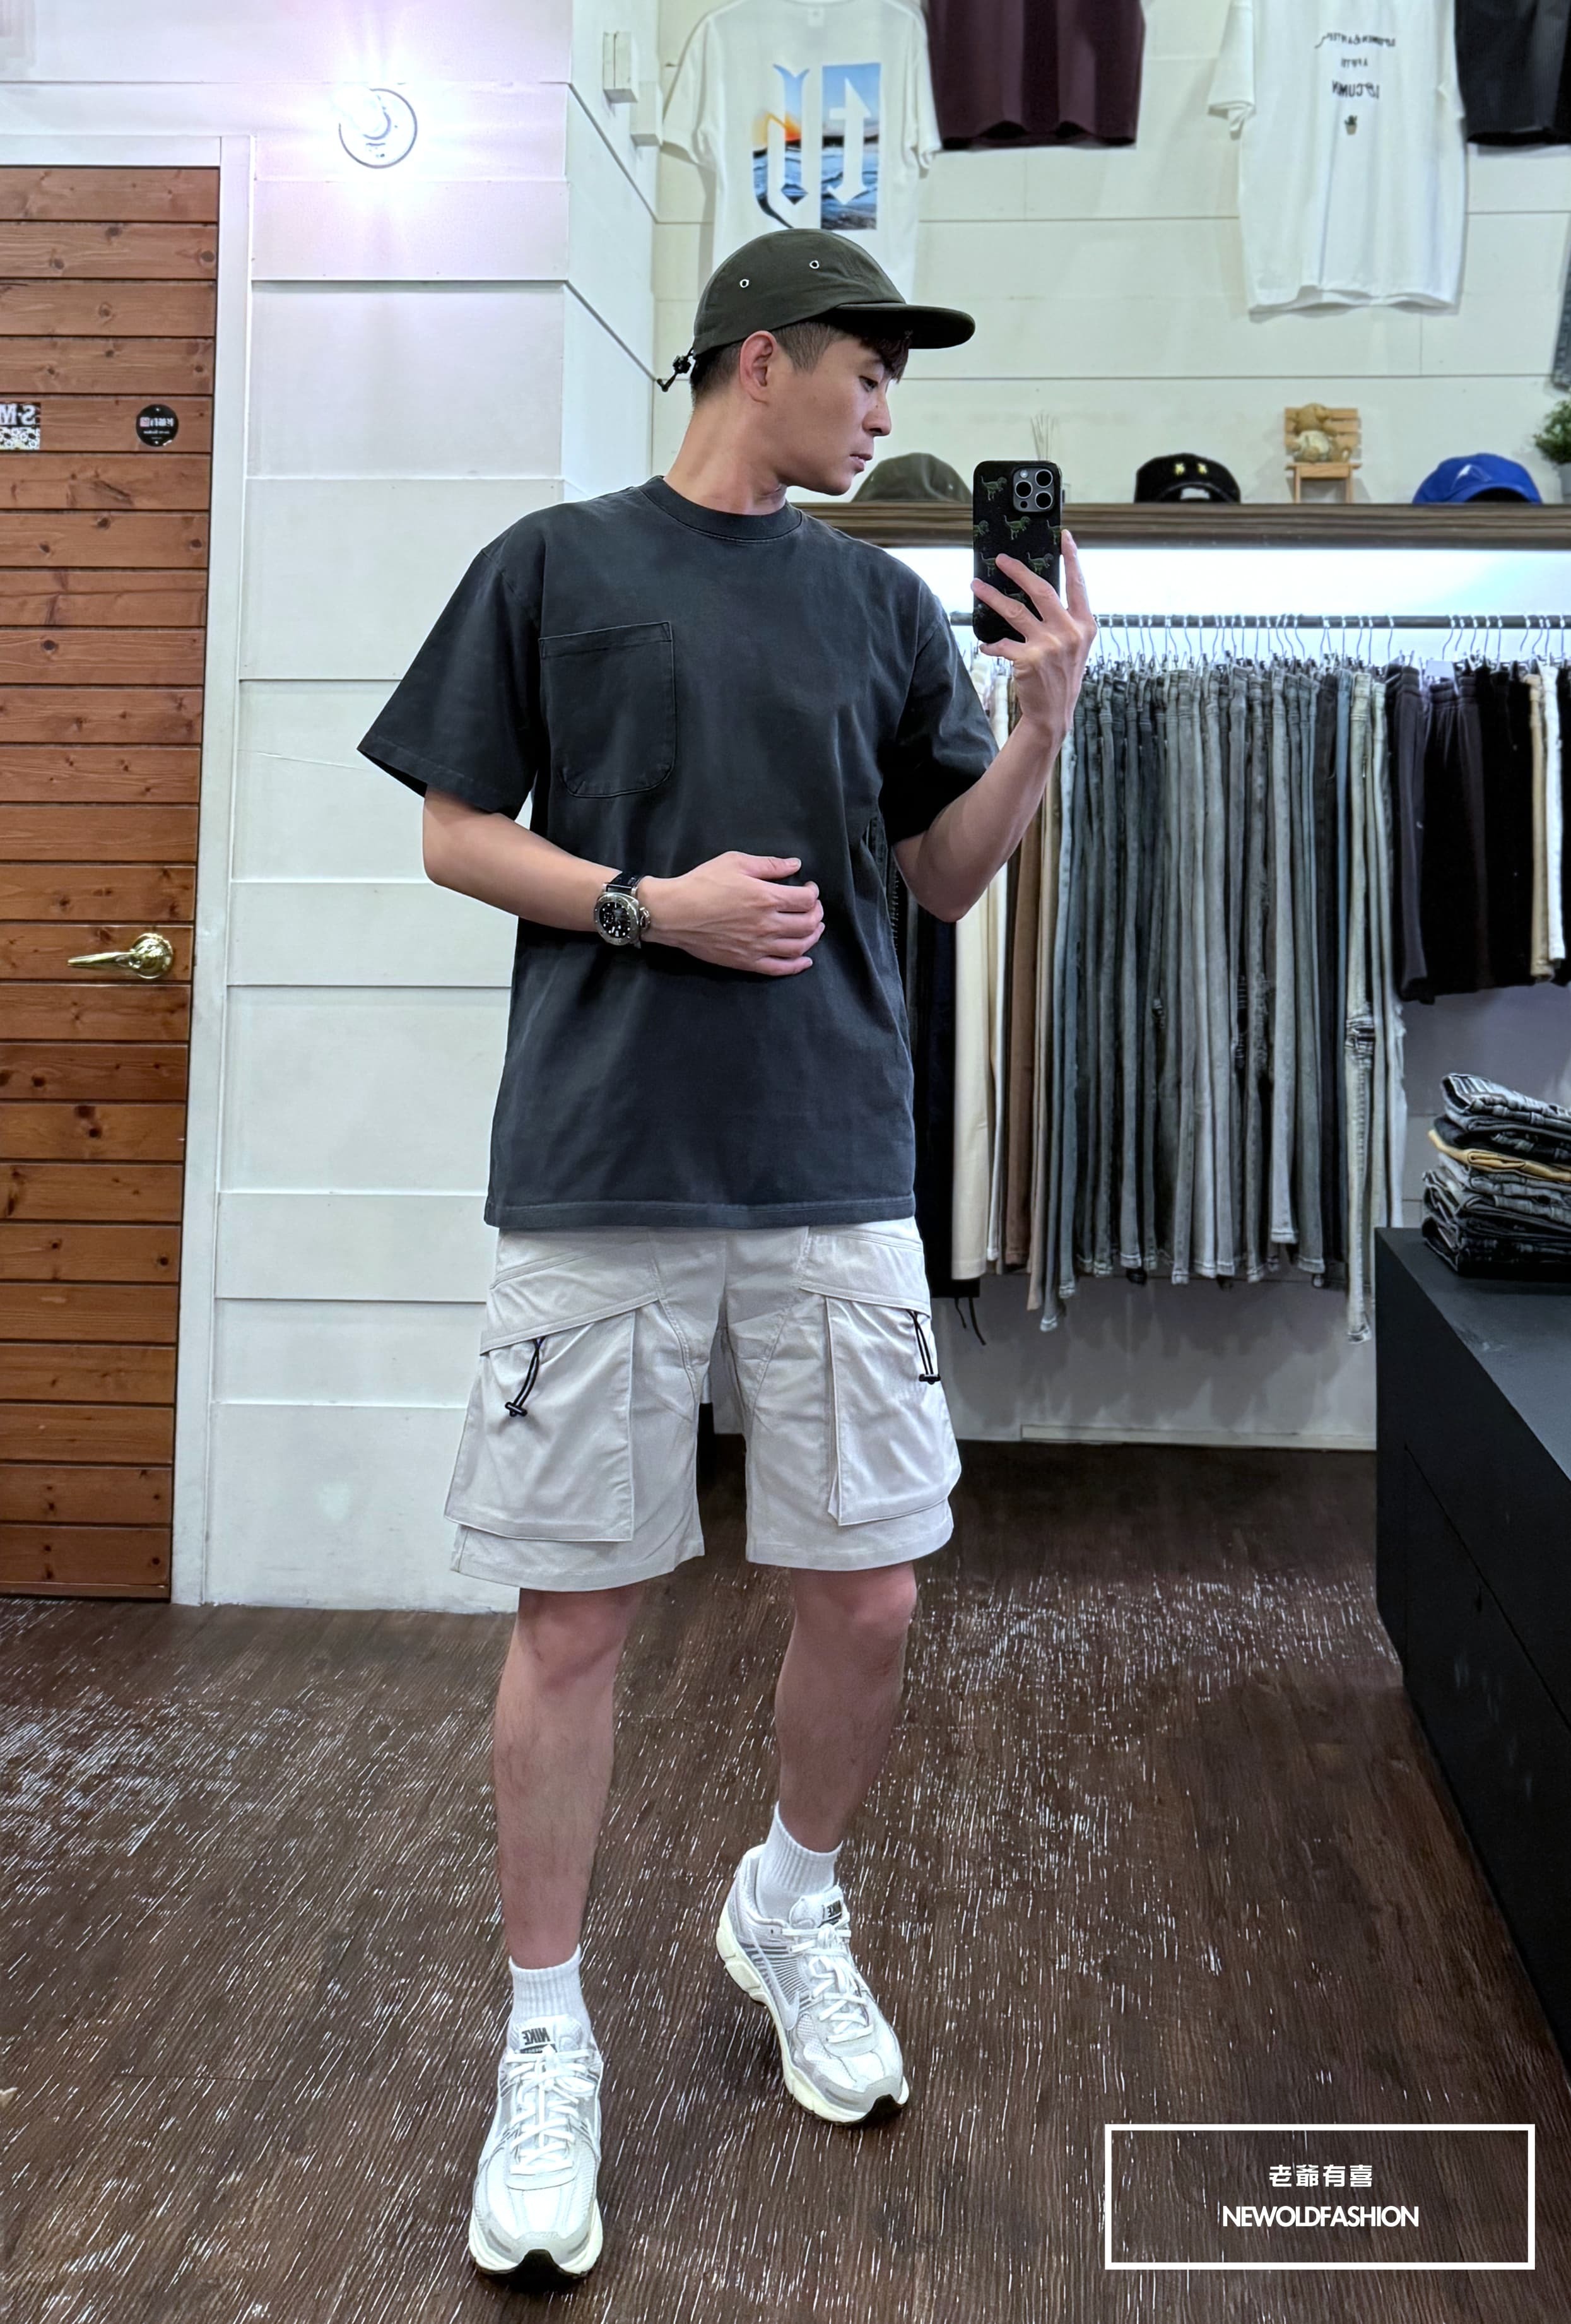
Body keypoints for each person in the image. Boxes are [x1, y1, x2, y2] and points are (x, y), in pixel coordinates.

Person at [357, 226, 1095, 2282]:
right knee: (575, 1617)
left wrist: (1034, 725)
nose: (886, 407)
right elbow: (450, 829)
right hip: (599, 1164)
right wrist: (644, 905)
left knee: (869, 1588)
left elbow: (942, 877)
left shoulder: (875, 606)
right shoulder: (556, 563)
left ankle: (789, 1902)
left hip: (831, 1162)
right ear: (753, 358)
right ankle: (544, 2031)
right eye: (865, 367)